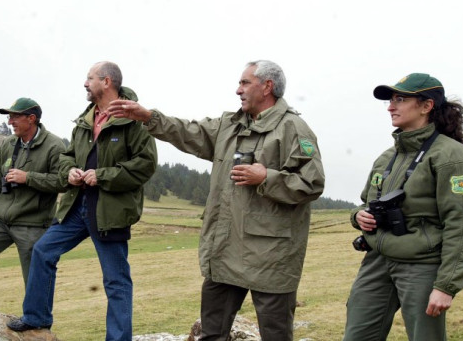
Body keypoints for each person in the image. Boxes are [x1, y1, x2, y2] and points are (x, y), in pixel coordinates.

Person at [108, 60, 325, 341]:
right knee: (211, 334)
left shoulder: (293, 128)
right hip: (226, 250)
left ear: (267, 86)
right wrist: (148, 116)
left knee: (276, 335)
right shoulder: (229, 125)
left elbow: (312, 183)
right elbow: (187, 131)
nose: (238, 90)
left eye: (245, 83)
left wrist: (267, 178)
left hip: (271, 257)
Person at [7, 61, 157, 340]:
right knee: (42, 252)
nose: (85, 84)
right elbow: (66, 157)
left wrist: (102, 176)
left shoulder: (133, 120)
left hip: (110, 211)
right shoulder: (85, 120)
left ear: (107, 82)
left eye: (90, 78)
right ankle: (36, 318)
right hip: (77, 207)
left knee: (116, 280)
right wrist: (70, 172)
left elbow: (145, 165)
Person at [343, 73, 463, 340]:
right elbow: (365, 202)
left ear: (426, 106)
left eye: (400, 99)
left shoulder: (449, 155)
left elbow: (462, 223)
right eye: (391, 100)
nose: (391, 107)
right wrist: (358, 216)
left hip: (422, 265)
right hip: (378, 260)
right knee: (357, 335)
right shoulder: (387, 157)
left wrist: (446, 285)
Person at [0, 98, 66, 308]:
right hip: (1, 221)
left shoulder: (54, 146)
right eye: (9, 117)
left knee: (35, 277)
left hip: (33, 224)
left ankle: (38, 326)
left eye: (15, 117)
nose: (10, 122)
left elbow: (62, 182)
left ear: (31, 118)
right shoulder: (9, 144)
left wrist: (28, 178)